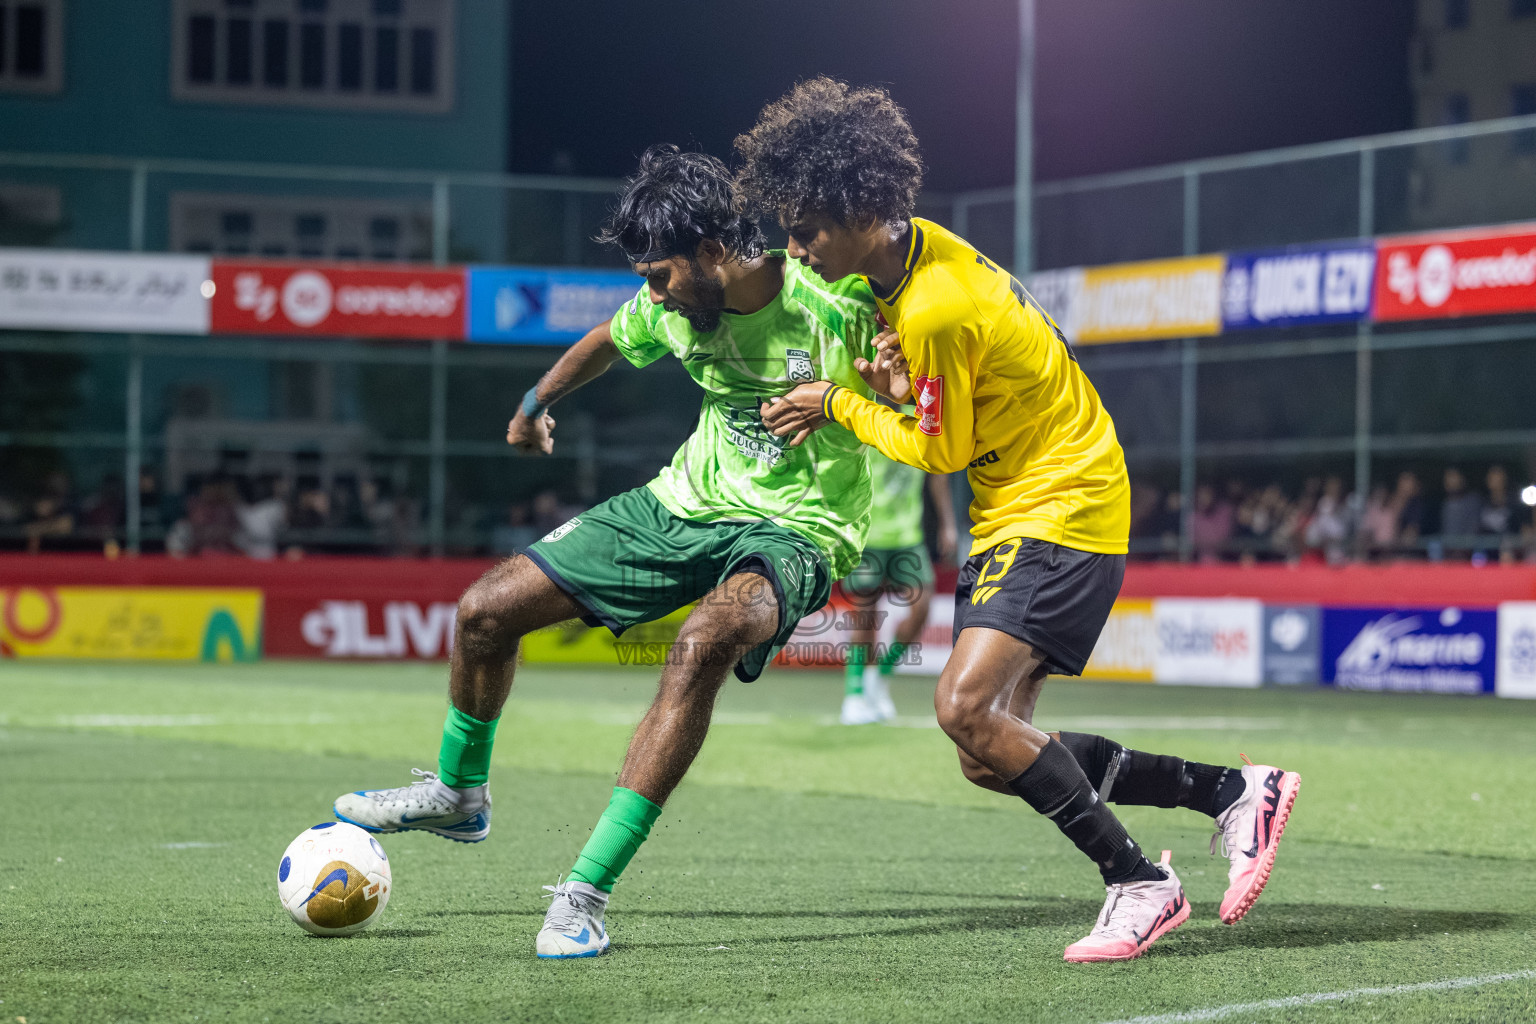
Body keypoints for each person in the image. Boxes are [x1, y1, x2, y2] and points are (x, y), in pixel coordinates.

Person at [739, 78, 1301, 963]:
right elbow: (944, 405)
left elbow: (939, 450)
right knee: (989, 748)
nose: (794, 245)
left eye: (806, 226)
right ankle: (1234, 791)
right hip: (1021, 505)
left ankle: (1139, 884)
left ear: (864, 210)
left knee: (962, 706)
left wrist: (836, 403)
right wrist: (890, 383)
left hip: (1061, 502)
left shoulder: (934, 305)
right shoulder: (910, 266)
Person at [333, 146, 885, 959]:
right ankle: (458, 793)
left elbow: (912, 382)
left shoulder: (831, 306)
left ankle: (584, 896)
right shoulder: (669, 308)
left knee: (701, 645)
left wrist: (865, 395)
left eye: (659, 274)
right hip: (680, 506)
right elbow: (605, 337)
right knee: (485, 612)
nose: (651, 293)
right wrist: (534, 403)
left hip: (798, 528)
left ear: (711, 253)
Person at [841, 442, 956, 724]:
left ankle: (880, 674)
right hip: (868, 534)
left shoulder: (919, 418)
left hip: (908, 536)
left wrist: (947, 524)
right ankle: (854, 694)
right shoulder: (865, 415)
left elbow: (937, 474)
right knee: (865, 617)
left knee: (922, 608)